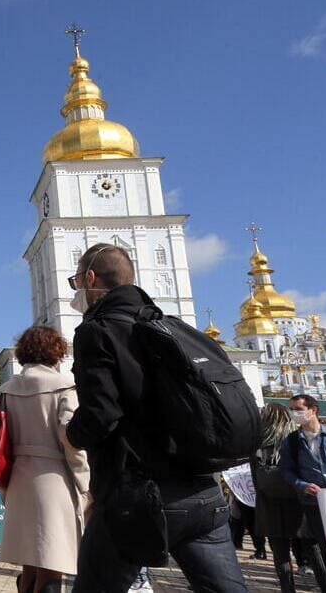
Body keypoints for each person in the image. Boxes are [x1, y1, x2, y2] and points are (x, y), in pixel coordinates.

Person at [65, 243, 247, 592]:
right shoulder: (172, 327)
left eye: (77, 283)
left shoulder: (97, 330)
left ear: (90, 278)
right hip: (203, 492)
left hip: (137, 496)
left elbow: (101, 413)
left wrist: (72, 435)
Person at [0, 326, 89, 593]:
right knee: (52, 562)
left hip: (17, 480)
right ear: (56, 352)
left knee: (29, 563)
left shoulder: (6, 390)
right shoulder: (64, 387)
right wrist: (85, 483)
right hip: (54, 481)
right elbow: (71, 440)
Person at [280, 394, 326, 590]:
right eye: (292, 409)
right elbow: (286, 470)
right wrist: (302, 484)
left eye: (298, 409)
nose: (294, 413)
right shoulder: (292, 441)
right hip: (314, 504)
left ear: (313, 410)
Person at [252, 402, 305, 592]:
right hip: (299, 498)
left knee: (280, 553)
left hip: (269, 502)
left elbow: (254, 476)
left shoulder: (259, 440)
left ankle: (287, 589)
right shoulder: (297, 437)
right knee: (312, 548)